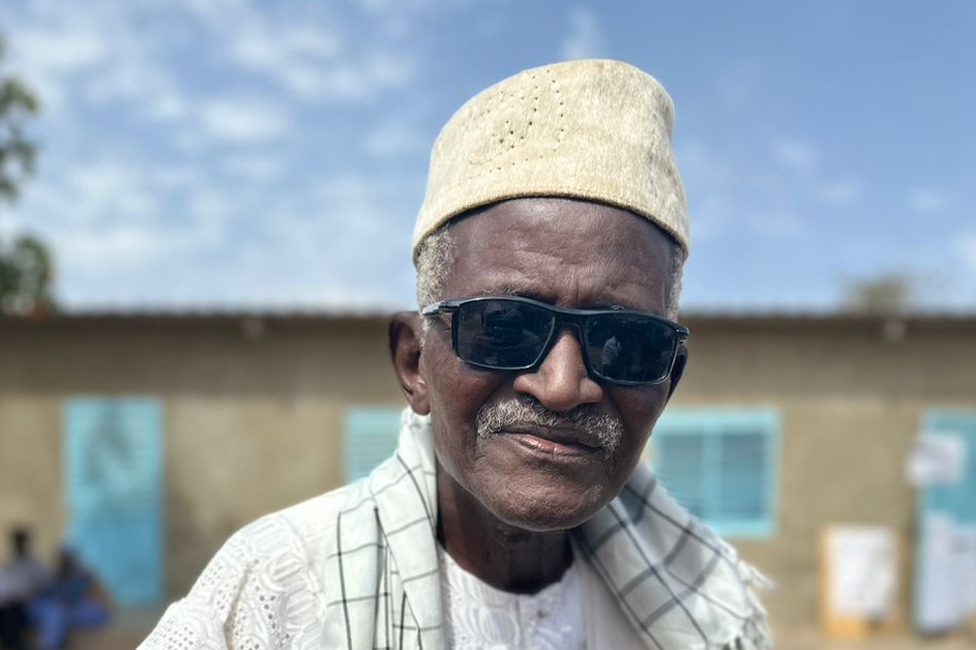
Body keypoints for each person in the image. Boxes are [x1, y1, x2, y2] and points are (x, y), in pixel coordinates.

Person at [140, 59, 771, 649]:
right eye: (505, 326)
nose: (561, 385)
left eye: (625, 342)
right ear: (414, 363)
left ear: (668, 382)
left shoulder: (708, 607)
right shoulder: (279, 595)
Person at [26, 547, 111, 650]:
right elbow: (39, 599)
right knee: (55, 613)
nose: (65, 563)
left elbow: (101, 604)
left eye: (68, 560)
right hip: (51, 609)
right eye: (63, 560)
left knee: (96, 611)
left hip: (73, 610)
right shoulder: (50, 577)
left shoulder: (82, 577)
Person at [0, 528, 49, 650]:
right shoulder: (10, 563)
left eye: (20, 541)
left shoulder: (35, 564)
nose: (17, 545)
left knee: (10, 615)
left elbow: (45, 585)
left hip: (29, 605)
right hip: (7, 604)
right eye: (16, 542)